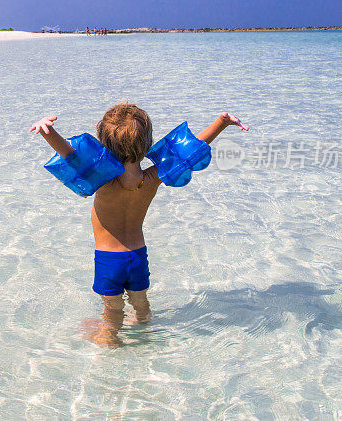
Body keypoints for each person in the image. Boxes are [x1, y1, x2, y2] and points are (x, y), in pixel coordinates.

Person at [30, 104, 248, 347]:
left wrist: (48, 133)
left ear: (102, 144)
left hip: (109, 260)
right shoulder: (152, 178)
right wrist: (222, 122)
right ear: (146, 144)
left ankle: (109, 339)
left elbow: (72, 156)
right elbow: (188, 153)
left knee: (112, 309)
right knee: (140, 303)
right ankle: (144, 330)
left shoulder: (104, 181)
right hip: (138, 256)